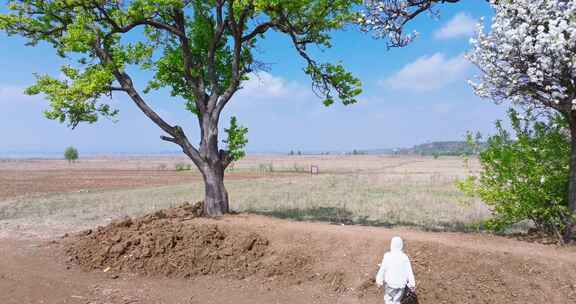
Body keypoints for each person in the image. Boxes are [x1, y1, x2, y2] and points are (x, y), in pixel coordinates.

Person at [375, 236, 416, 304]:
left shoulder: (387, 256)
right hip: (401, 285)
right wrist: (412, 284)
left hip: (390, 284)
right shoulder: (404, 257)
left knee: (388, 300)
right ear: (401, 246)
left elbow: (383, 268)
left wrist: (379, 281)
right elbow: (409, 271)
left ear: (391, 245)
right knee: (397, 301)